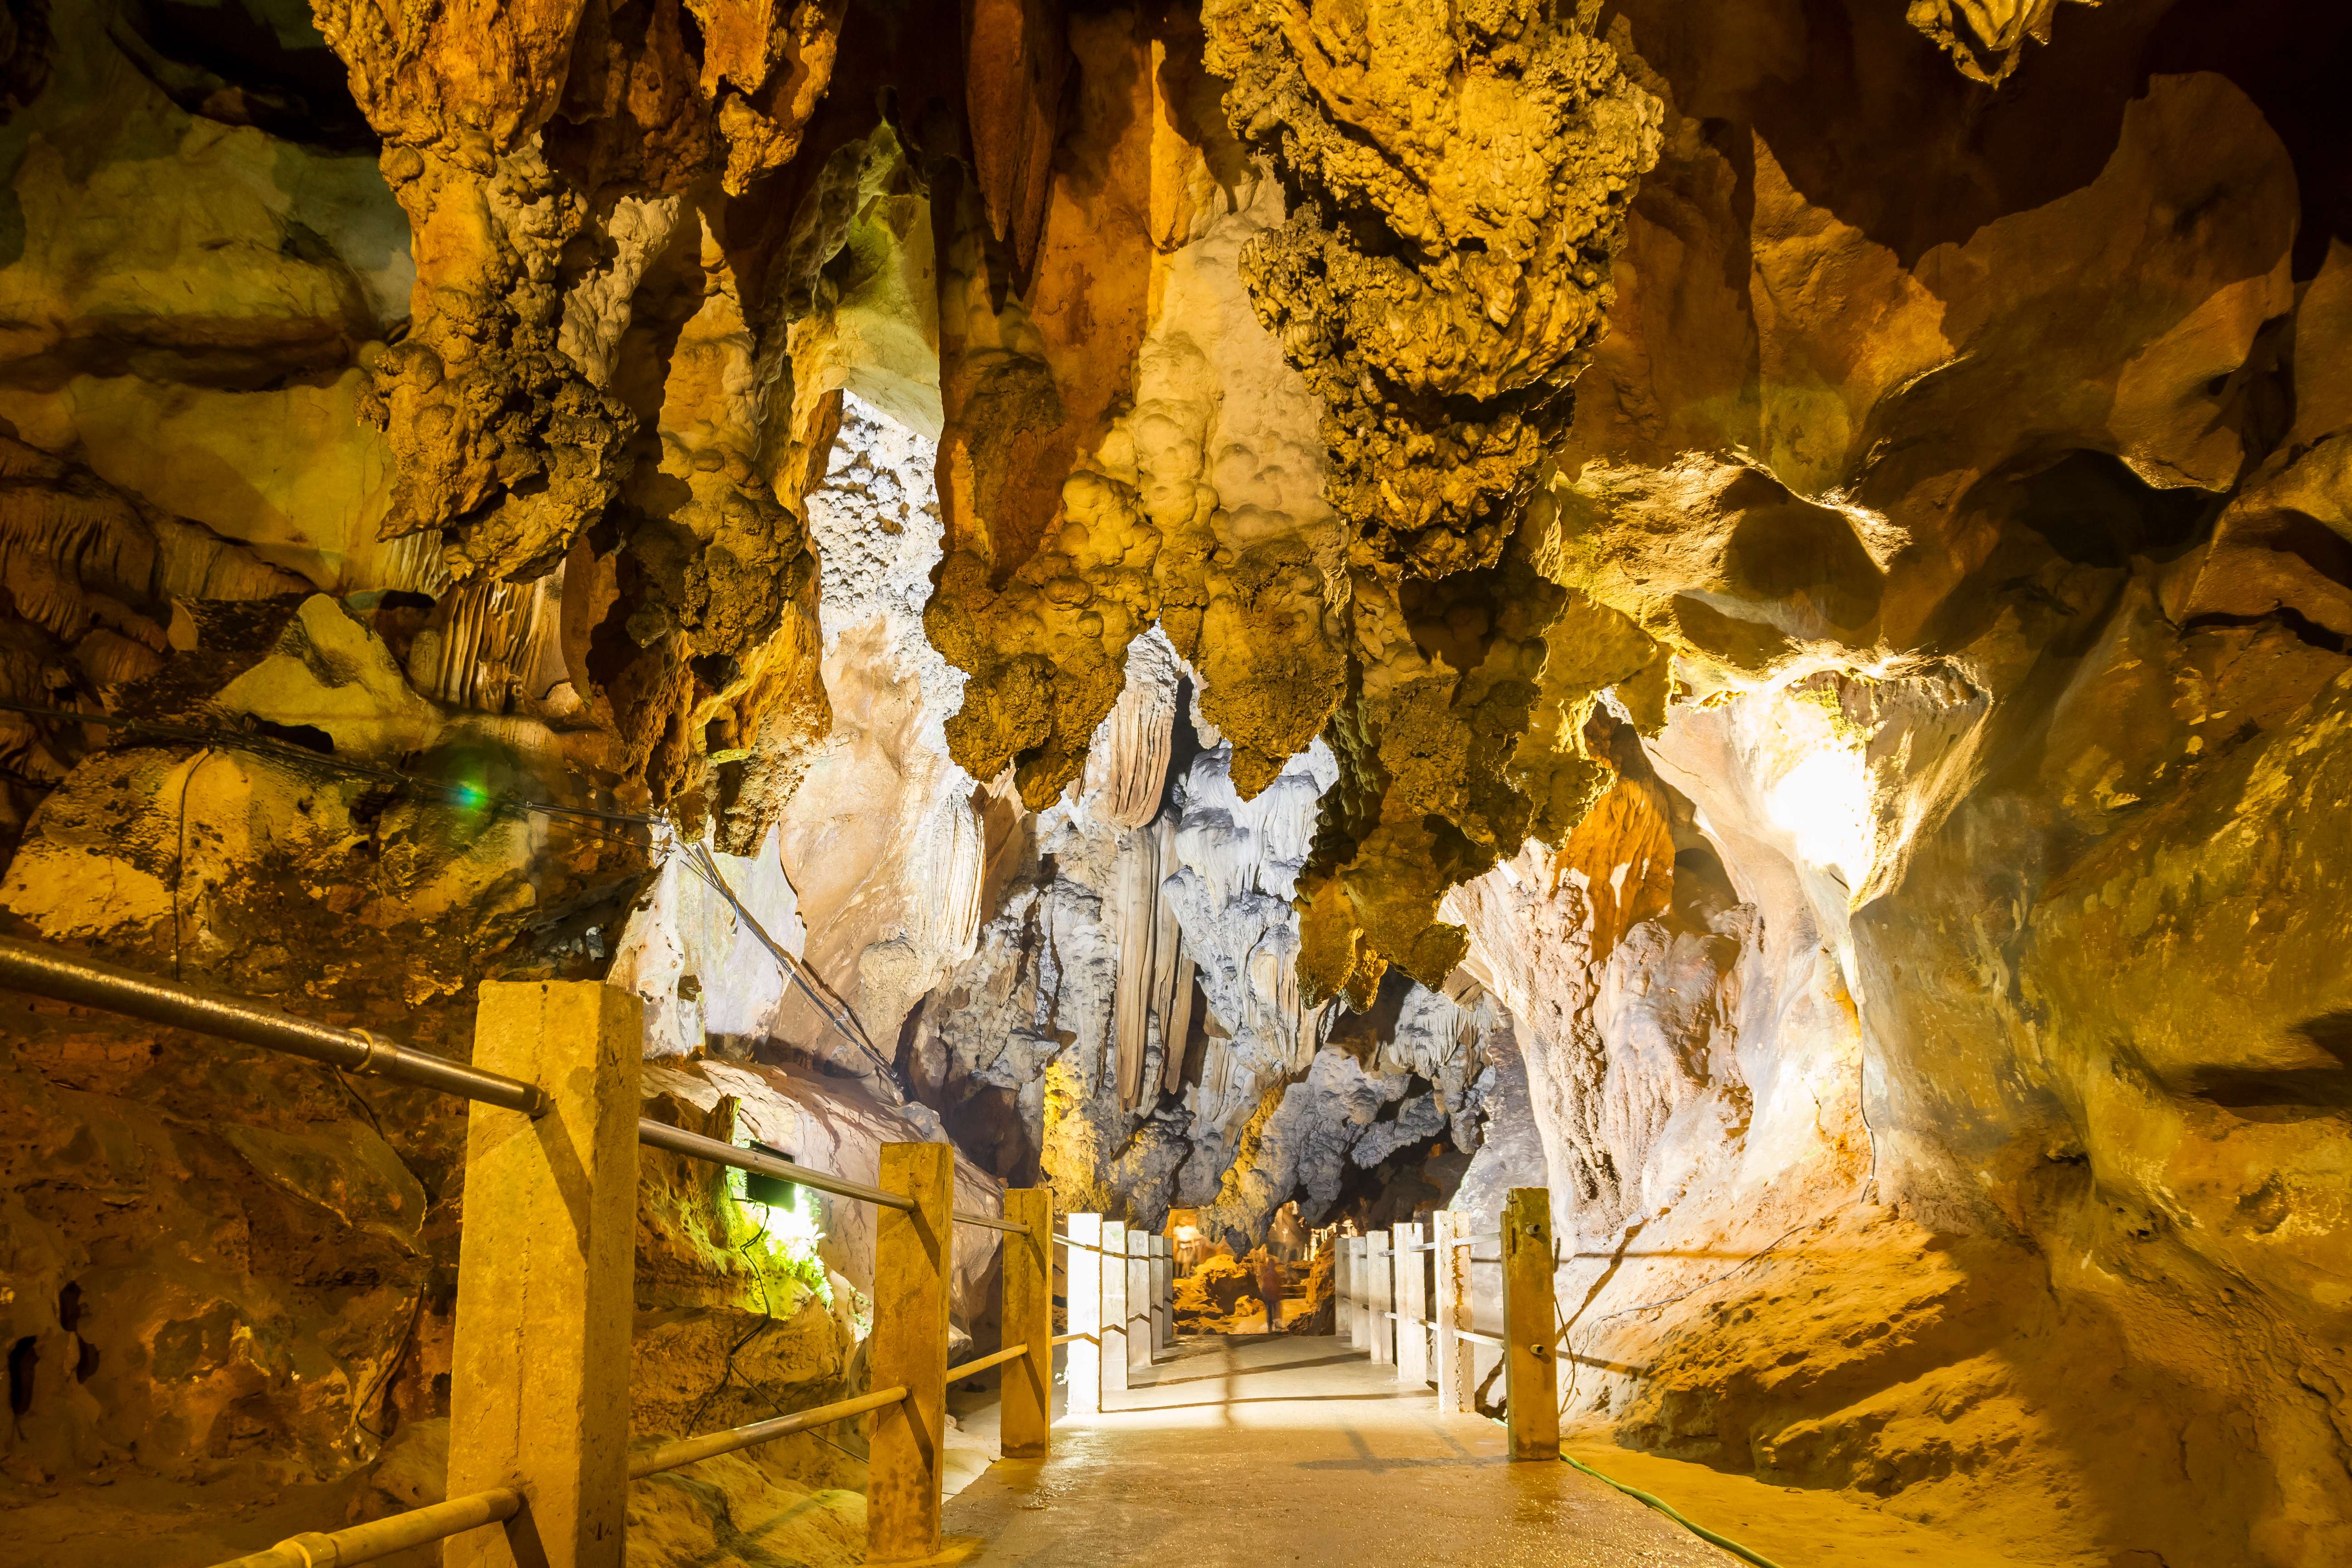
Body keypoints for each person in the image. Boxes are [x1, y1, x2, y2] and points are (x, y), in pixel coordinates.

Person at [1255, 1250, 1286, 1334]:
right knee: (1271, 1312)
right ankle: (1271, 1327)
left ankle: (1273, 1326)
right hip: (1270, 1297)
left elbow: (1277, 1286)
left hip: (1273, 1297)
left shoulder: (1272, 1275)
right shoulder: (1270, 1276)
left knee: (1274, 1312)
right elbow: (1265, 1287)